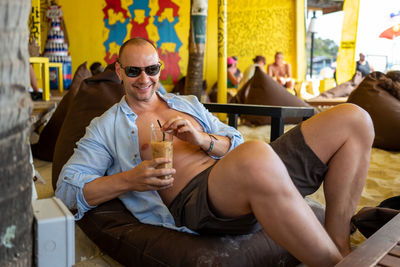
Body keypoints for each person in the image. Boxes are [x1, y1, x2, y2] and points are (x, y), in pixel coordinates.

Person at [56, 37, 374, 267]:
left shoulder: (187, 103)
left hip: (251, 169)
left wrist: (203, 138)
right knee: (255, 154)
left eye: (151, 69)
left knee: (354, 119)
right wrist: (131, 179)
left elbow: (232, 141)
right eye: (134, 70)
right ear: (119, 71)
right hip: (198, 201)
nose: (144, 78)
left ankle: (340, 247)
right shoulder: (106, 126)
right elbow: (67, 188)